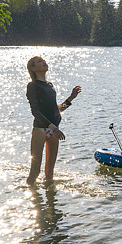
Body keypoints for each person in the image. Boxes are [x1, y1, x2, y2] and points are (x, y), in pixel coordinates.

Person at [26, 56, 81, 186]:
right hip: (40, 129)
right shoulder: (32, 85)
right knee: (35, 172)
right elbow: (35, 112)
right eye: (40, 61)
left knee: (50, 173)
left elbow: (56, 110)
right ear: (33, 68)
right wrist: (53, 128)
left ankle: (50, 198)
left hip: (54, 129)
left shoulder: (49, 85)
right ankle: (29, 193)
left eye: (43, 60)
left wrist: (71, 98)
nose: (44, 62)